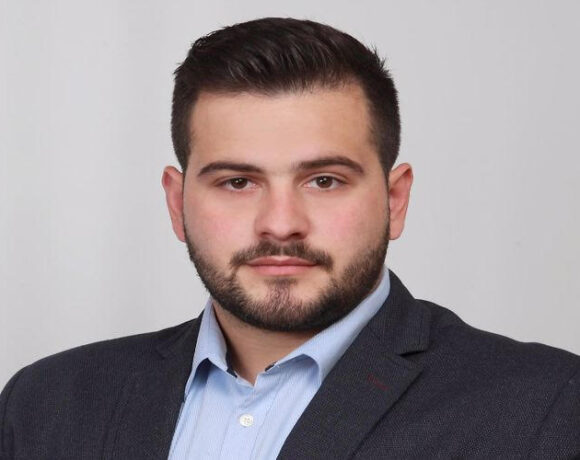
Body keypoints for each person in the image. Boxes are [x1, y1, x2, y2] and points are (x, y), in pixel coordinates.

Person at [1, 17, 578, 460]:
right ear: (177, 204)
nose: (280, 224)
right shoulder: (46, 402)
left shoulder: (548, 408)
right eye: (237, 182)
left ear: (395, 200)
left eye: (324, 181)